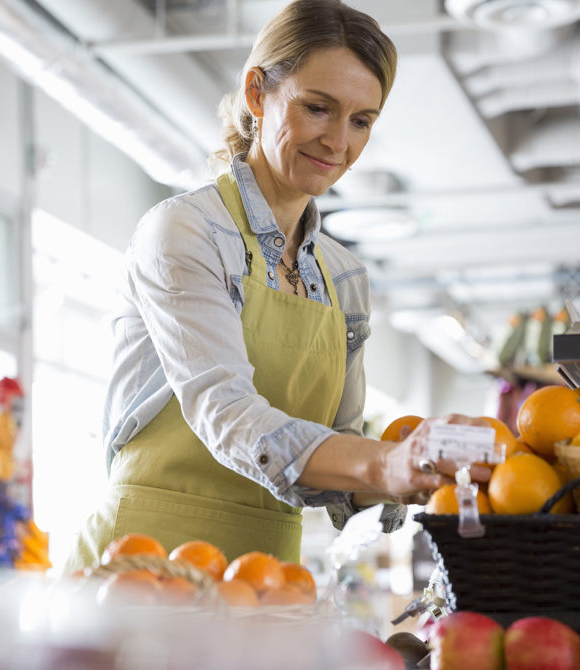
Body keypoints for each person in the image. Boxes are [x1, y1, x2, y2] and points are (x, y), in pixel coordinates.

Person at [65, 0, 482, 570]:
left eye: (362, 121)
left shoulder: (344, 279)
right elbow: (227, 414)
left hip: (265, 576)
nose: (339, 141)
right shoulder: (186, 231)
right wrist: (384, 464)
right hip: (142, 564)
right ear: (257, 94)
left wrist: (424, 461)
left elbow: (342, 456)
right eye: (318, 108)